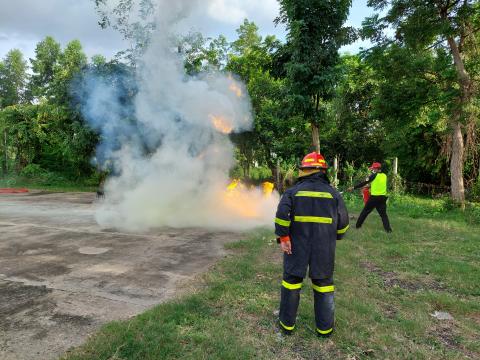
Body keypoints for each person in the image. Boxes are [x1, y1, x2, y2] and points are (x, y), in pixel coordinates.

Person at [274, 152, 349, 337]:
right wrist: (336, 236)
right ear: (322, 171)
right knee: (323, 284)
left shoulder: (292, 192)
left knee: (291, 282)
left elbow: (282, 216)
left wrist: (284, 238)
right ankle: (324, 330)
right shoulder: (333, 194)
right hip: (324, 247)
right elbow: (344, 223)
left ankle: (286, 326)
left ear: (306, 170)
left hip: (296, 245)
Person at [348, 162, 392, 232]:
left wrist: (353, 187)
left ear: (377, 169)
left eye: (373, 169)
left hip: (374, 198)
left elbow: (363, 183)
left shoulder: (373, 176)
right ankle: (388, 230)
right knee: (383, 215)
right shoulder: (384, 175)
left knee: (365, 212)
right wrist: (370, 186)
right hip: (382, 198)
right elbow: (379, 184)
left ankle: (357, 226)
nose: (373, 170)